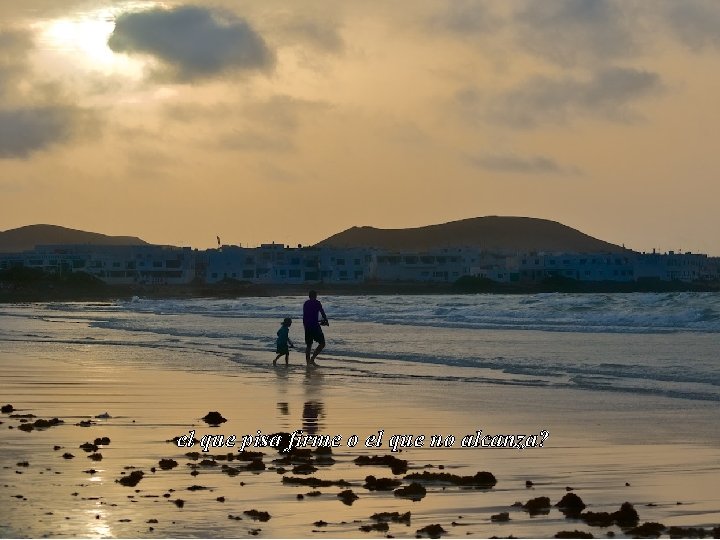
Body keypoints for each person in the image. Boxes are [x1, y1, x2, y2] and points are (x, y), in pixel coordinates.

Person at [303, 290, 329, 366]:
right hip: (314, 325)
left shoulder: (306, 303)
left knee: (308, 345)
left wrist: (305, 326)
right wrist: (326, 321)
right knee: (322, 343)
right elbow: (322, 312)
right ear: (315, 295)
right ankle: (312, 359)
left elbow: (306, 315)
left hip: (307, 325)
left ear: (309, 296)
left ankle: (308, 362)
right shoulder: (317, 303)